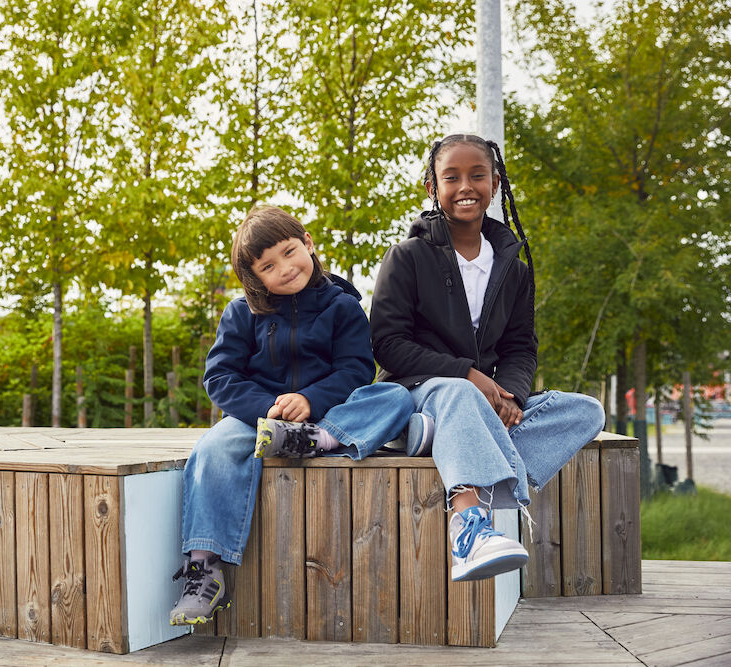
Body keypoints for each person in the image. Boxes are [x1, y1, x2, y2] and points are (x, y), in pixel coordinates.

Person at [170, 205, 424, 626]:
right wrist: (267, 409)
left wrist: (309, 400)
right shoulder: (241, 313)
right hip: (261, 423)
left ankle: (317, 442)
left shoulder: (343, 308)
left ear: (307, 242)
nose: (285, 268)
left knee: (395, 395)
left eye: (289, 252)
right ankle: (204, 568)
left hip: (326, 416)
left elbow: (355, 370)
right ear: (256, 278)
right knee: (212, 448)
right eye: (268, 266)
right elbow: (220, 377)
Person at [370, 134, 606, 582]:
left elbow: (520, 345)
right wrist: (469, 375)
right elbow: (387, 344)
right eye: (451, 177)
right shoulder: (407, 257)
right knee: (459, 394)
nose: (466, 186)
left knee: (586, 411)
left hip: (483, 398)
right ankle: (472, 530)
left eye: (478, 175)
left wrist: (512, 395)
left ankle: (438, 440)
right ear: (431, 187)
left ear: (494, 184)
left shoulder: (513, 266)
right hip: (417, 389)